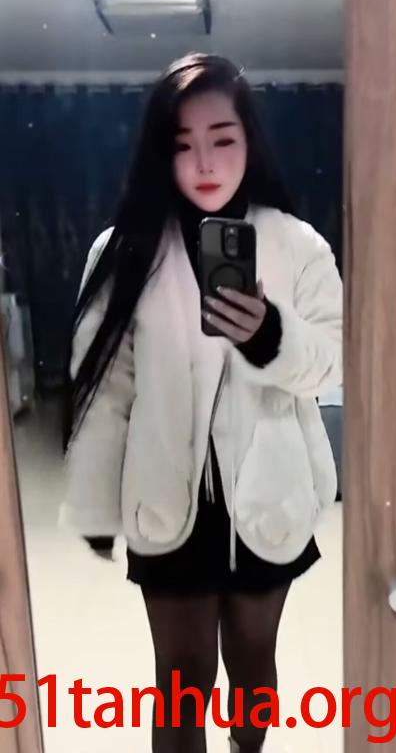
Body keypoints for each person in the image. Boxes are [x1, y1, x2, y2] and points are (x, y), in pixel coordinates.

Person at [60, 53, 343, 753]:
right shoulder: (123, 250)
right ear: (162, 153)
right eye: (183, 144)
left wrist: (271, 335)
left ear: (250, 141)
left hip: (268, 493)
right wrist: (95, 505)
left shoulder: (296, 245)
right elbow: (104, 390)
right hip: (166, 495)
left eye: (222, 138)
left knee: (252, 667)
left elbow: (334, 364)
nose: (205, 162)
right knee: (180, 680)